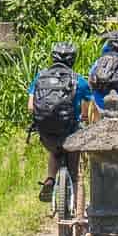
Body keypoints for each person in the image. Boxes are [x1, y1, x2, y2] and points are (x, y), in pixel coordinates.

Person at [28, 41, 89, 202]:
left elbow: (30, 107)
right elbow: (85, 111)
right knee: (76, 173)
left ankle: (50, 178)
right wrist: (84, 120)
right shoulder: (79, 80)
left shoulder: (40, 77)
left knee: (54, 151)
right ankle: (78, 209)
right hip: (70, 132)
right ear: (73, 59)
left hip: (47, 132)